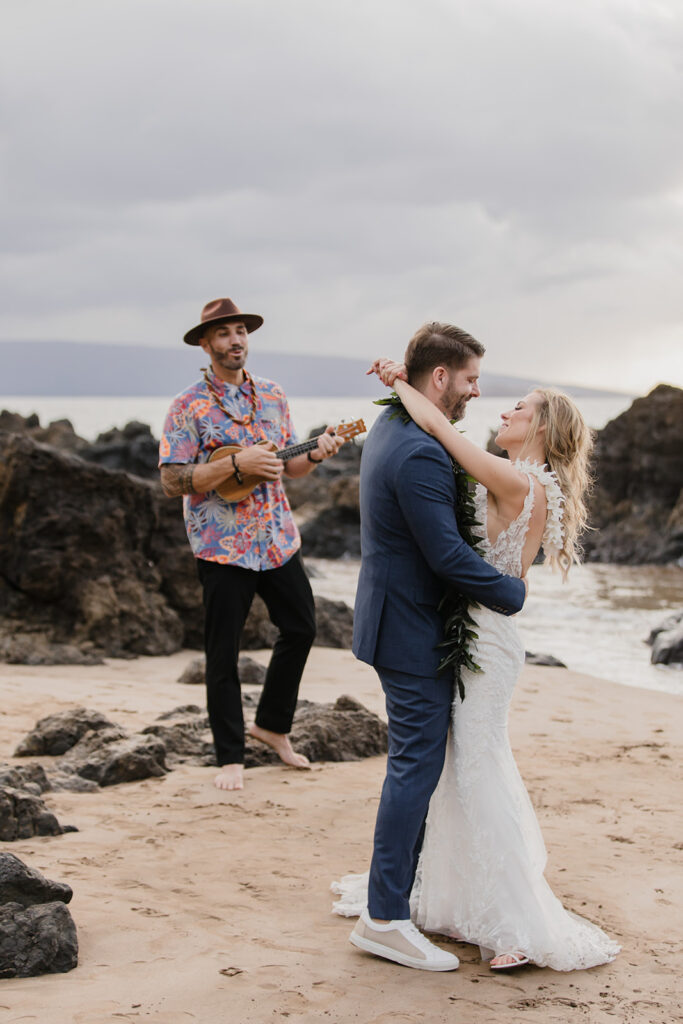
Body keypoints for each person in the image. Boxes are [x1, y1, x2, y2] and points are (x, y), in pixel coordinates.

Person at [334, 345, 621, 972]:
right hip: (457, 630)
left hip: (486, 641)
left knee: (480, 766)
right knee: (452, 767)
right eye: (480, 385)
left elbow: (439, 427)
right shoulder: (500, 467)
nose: (501, 405)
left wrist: (397, 382)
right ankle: (443, 896)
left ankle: (511, 918)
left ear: (541, 428)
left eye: (520, 405)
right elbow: (439, 435)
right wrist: (402, 383)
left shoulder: (518, 479)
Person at [344, 323, 527, 972]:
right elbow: (445, 554)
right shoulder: (420, 452)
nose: (478, 390)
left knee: (415, 762)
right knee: (413, 766)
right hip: (408, 627)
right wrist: (511, 595)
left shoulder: (397, 426)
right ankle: (384, 919)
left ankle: (399, 895)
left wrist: (397, 376)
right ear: (441, 377)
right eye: (470, 378)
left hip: (396, 617)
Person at [159, 297, 345, 792]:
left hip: (276, 536)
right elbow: (173, 479)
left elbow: (290, 464)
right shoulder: (187, 406)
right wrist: (234, 467)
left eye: (240, 331)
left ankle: (272, 726)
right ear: (206, 343)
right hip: (222, 545)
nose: (235, 340)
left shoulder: (274, 395)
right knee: (223, 651)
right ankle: (229, 757)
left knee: (302, 628)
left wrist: (318, 453)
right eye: (223, 334)